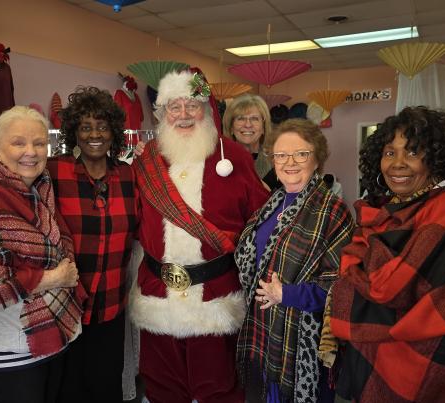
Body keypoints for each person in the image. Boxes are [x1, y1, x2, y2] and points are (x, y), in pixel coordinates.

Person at [328, 106, 445, 402]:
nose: (398, 164)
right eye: (389, 153)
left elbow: (386, 288)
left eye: (412, 153)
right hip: (378, 365)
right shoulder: (393, 210)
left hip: (440, 371)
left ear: (437, 159)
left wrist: (354, 272)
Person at [130, 70, 269, 403]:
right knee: (162, 386)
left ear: (206, 110)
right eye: (174, 107)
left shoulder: (233, 156)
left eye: (192, 105)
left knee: (218, 387)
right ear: (161, 114)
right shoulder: (146, 161)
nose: (183, 114)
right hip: (157, 293)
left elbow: (261, 222)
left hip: (216, 297)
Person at [0, 106, 85, 403]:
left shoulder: (41, 185)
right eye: (18, 143)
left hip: (48, 336)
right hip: (5, 349)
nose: (31, 152)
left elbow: (57, 242)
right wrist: (55, 277)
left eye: (39, 143)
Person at [234, 118, 354, 403]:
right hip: (262, 332)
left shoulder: (332, 210)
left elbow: (340, 287)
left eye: (301, 154)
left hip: (301, 342)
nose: (290, 162)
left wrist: (285, 293)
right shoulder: (272, 202)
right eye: (281, 154)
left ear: (317, 158)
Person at [46, 86, 137, 403]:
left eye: (102, 126)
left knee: (106, 388)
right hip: (64, 308)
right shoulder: (53, 172)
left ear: (114, 132)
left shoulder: (128, 177)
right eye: (85, 127)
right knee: (66, 391)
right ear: (74, 133)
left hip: (111, 309)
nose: (94, 134)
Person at [223, 93, 278, 190]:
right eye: (241, 119)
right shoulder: (220, 161)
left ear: (263, 128)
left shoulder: (276, 162)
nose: (248, 125)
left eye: (254, 119)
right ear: (231, 127)